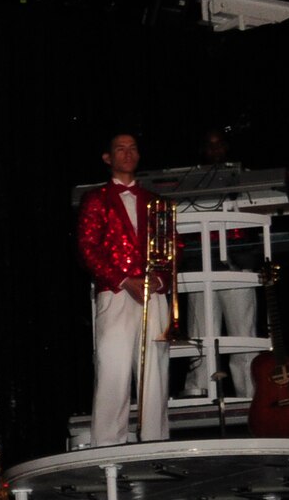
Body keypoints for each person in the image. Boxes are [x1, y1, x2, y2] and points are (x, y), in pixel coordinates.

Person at [77, 132, 172, 447]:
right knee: (112, 366)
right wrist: (122, 279)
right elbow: (88, 248)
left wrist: (160, 279)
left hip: (152, 293)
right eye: (120, 148)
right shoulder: (96, 199)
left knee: (154, 369)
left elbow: (174, 244)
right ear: (108, 158)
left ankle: (155, 440)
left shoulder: (156, 201)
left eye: (133, 148)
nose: (128, 153)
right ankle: (107, 444)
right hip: (117, 292)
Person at [182, 126, 257, 402]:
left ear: (227, 148)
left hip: (237, 266)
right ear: (203, 150)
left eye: (219, 145)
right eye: (209, 146)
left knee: (243, 335)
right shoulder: (190, 182)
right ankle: (200, 394)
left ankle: (249, 396)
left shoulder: (242, 177)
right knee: (200, 336)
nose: (215, 151)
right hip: (200, 267)